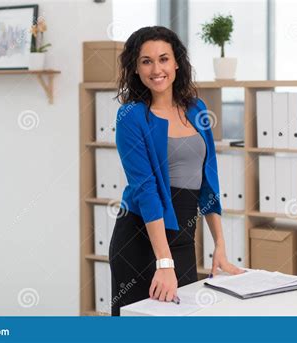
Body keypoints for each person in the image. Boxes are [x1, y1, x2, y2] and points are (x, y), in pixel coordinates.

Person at [108, 26, 244, 317]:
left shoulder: (197, 109)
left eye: (163, 59)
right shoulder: (131, 116)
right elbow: (146, 191)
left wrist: (219, 244)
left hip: (183, 238)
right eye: (146, 61)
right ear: (135, 68)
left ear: (177, 62)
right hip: (141, 240)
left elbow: (209, 179)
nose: (156, 69)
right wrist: (163, 263)